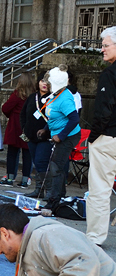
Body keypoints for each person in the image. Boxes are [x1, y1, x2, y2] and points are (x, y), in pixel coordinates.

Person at [86, 26, 116, 245]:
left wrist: (93, 136)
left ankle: (95, 237)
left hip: (108, 137)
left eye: (105, 45)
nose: (102, 50)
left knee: (99, 189)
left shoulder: (110, 74)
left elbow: (104, 109)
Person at [38, 66, 81, 215]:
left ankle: (53, 201)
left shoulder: (64, 98)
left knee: (56, 167)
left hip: (69, 136)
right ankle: (59, 196)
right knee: (59, 166)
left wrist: (61, 136)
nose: (46, 84)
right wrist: (45, 128)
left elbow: (74, 119)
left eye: (49, 82)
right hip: (60, 134)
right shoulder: (55, 95)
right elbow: (53, 115)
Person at [0, 72, 36, 186]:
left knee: (12, 153)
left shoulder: (17, 94)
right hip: (28, 126)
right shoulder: (34, 96)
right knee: (27, 154)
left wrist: (11, 115)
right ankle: (25, 179)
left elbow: (6, 108)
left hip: (15, 125)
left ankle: (10, 177)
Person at [21, 71, 51, 197]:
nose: (44, 84)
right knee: (36, 161)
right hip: (31, 136)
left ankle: (46, 189)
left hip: (46, 137)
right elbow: (23, 114)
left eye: (47, 81)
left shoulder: (53, 97)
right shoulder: (32, 97)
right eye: (42, 81)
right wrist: (25, 129)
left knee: (41, 161)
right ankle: (38, 190)